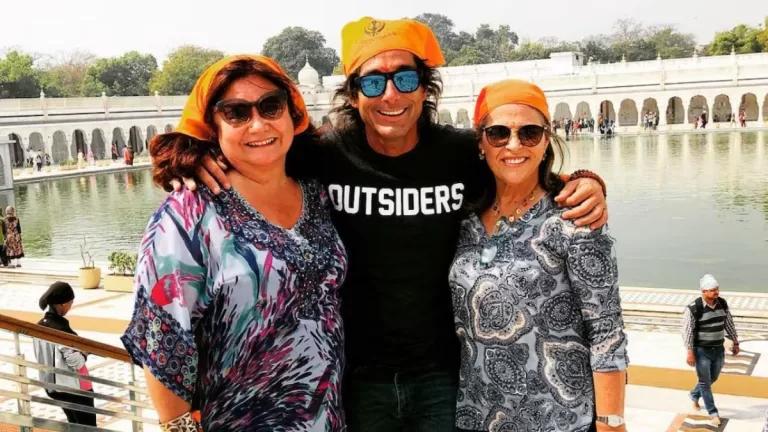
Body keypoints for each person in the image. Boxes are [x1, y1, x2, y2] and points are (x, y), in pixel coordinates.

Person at [158, 17, 609, 430]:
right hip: (355, 379)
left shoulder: (458, 153)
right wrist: (189, 156)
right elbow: (254, 145)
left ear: (425, 89)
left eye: (405, 78)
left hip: (442, 375)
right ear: (354, 94)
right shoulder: (324, 154)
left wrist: (585, 181)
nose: (390, 95)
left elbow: (519, 170)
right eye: (373, 82)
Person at [121, 55, 348, 431]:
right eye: (236, 113)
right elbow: (163, 336)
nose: (258, 124)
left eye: (271, 106)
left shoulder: (316, 194)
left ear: (292, 112)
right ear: (213, 126)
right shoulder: (189, 213)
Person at [450, 80, 628, 432]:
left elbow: (607, 332)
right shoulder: (465, 216)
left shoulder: (574, 218)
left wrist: (611, 423)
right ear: (481, 142)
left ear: (547, 140)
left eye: (529, 133)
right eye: (498, 133)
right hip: (478, 415)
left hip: (560, 420)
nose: (514, 145)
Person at [33, 281, 97, 426]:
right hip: (74, 387)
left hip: (52, 386)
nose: (71, 306)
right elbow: (75, 362)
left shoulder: (40, 326)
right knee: (88, 427)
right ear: (62, 304)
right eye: (71, 302)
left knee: (74, 424)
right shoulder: (60, 331)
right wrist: (85, 352)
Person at [683, 274, 739, 426]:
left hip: (718, 349)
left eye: (717, 289)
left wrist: (735, 341)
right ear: (704, 291)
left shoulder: (722, 303)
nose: (716, 292)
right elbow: (687, 332)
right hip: (701, 351)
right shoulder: (694, 308)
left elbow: (729, 323)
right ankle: (713, 413)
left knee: (713, 377)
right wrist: (689, 352)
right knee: (704, 383)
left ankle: (694, 394)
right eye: (713, 290)